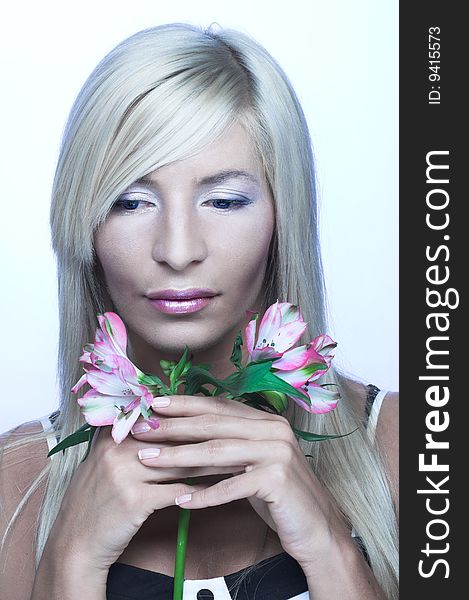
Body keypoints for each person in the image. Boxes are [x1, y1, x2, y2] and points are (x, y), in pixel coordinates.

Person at [0, 22, 398, 600]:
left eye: (225, 200)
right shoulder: (15, 486)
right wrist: (70, 561)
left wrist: (334, 551)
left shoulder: (411, 449)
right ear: (82, 224)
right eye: (130, 201)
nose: (178, 250)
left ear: (282, 216)